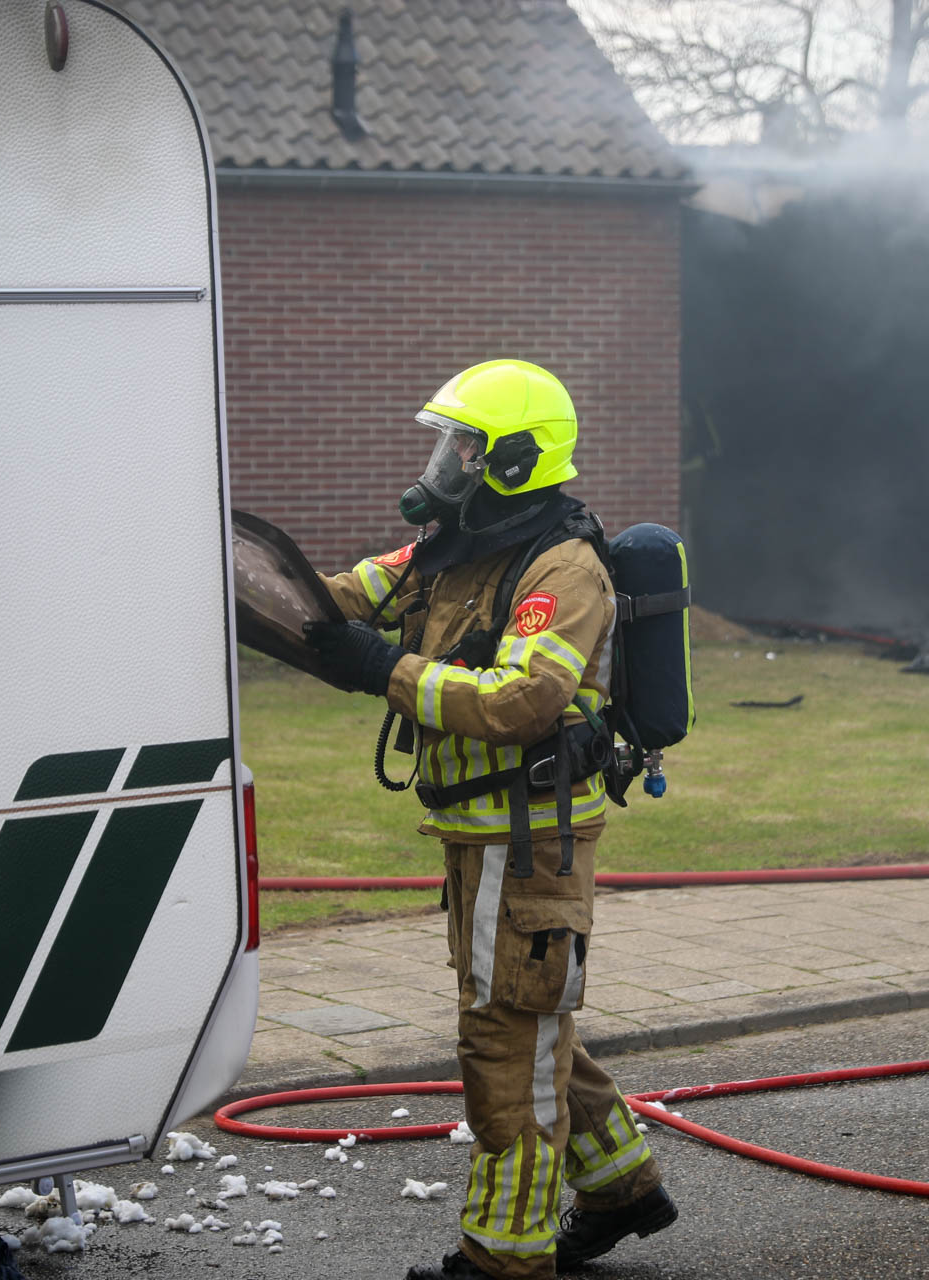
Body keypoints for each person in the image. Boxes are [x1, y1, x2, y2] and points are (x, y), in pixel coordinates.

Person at [303, 360, 676, 1280]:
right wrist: (246, 593)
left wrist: (381, 669)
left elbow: (521, 700)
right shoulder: (453, 548)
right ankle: (622, 1188)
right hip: (478, 835)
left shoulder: (562, 567)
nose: (446, 463)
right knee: (530, 1022)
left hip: (530, 841)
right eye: (448, 444)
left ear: (514, 460)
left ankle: (504, 1257)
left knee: (505, 1039)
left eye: (464, 448)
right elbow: (343, 597)